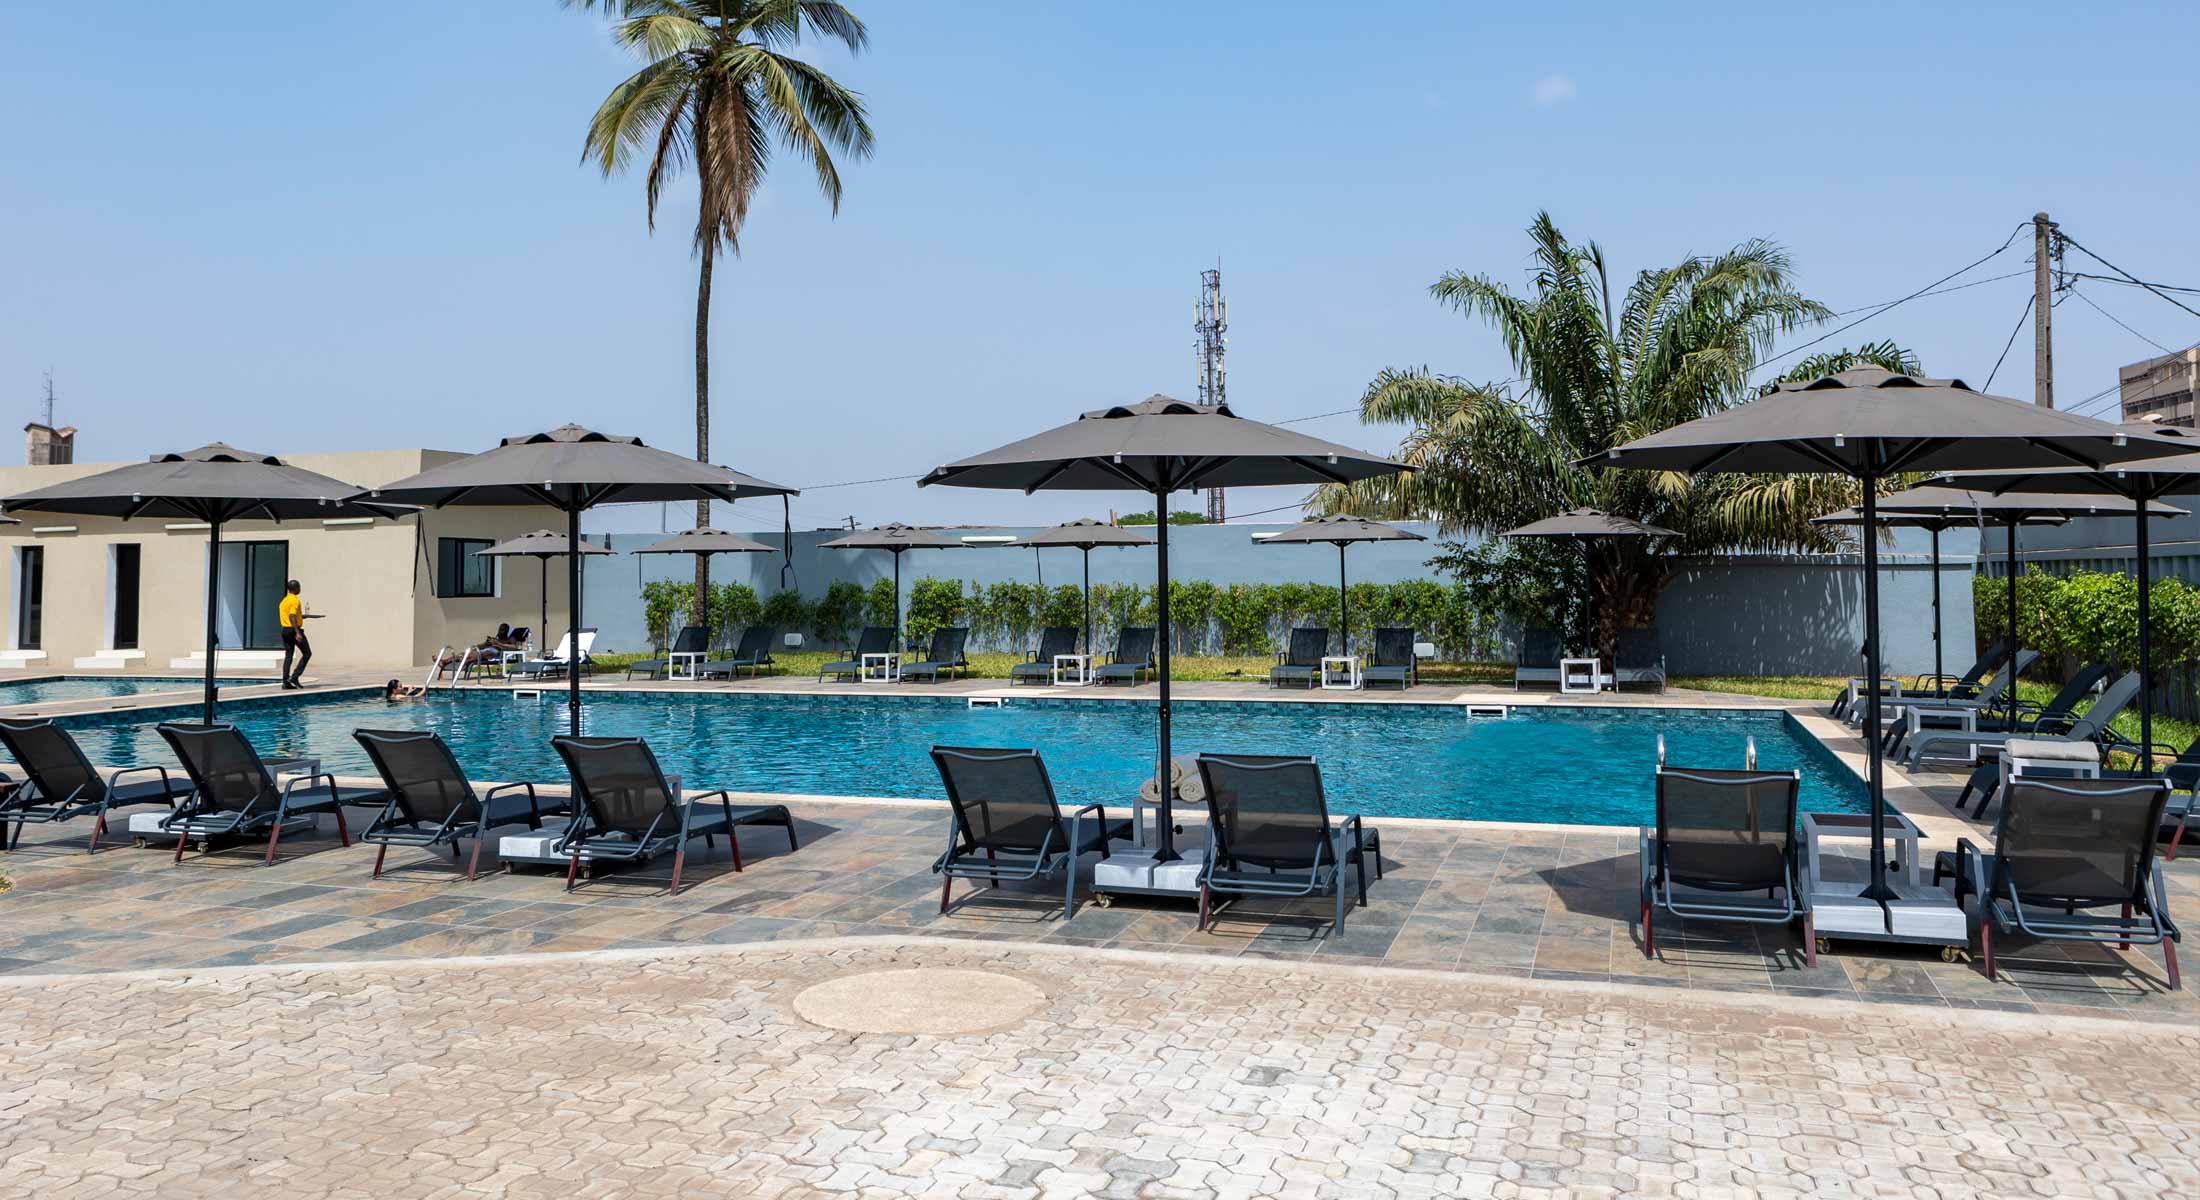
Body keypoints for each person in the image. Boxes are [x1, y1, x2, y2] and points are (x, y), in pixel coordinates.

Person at [278, 580, 311, 689]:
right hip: (293, 630)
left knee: (288, 656)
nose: (300, 589)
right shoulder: (294, 600)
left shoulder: (284, 601)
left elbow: (291, 615)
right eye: (299, 587)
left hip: (285, 631)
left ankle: (285, 681)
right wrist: (298, 633)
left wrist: (301, 617)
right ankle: (294, 677)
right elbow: (292, 616)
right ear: (295, 588)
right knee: (307, 653)